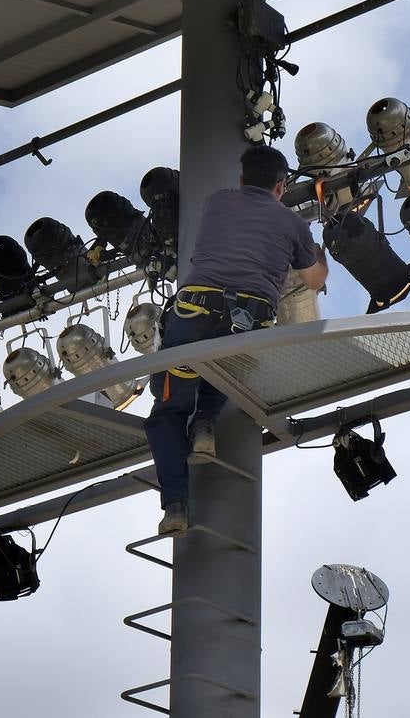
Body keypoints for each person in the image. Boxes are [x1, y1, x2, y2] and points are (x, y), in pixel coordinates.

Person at [144, 145, 328, 534]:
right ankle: (206, 423)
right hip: (251, 321)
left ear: (241, 179)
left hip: (195, 311)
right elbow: (314, 280)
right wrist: (320, 254)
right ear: (281, 186)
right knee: (227, 368)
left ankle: (176, 504)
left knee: (166, 413)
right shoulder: (293, 224)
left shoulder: (218, 202)